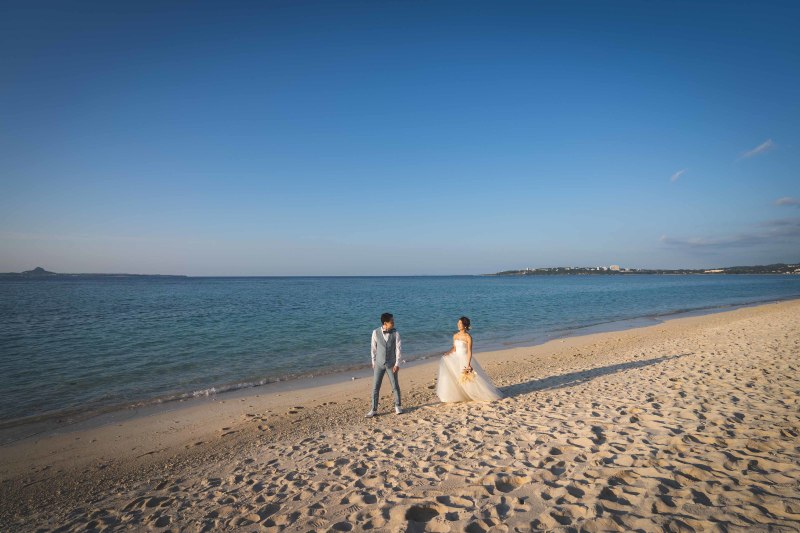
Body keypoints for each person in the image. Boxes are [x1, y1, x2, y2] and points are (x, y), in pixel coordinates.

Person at [437, 316, 503, 402]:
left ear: (465, 325)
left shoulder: (468, 337)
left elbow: (469, 351)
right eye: (458, 323)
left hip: (464, 358)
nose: (458, 325)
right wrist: (448, 353)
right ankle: (460, 395)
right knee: (455, 376)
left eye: (460, 323)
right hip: (455, 358)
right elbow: (454, 348)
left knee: (470, 380)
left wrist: (468, 364)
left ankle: (478, 394)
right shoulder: (455, 335)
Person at [365, 312, 403, 417]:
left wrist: (397, 364)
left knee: (395, 385)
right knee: (375, 387)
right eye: (391, 321)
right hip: (379, 364)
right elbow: (373, 348)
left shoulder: (396, 333)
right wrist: (373, 362)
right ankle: (374, 409)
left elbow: (398, 349)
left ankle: (398, 406)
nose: (393, 323)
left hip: (391, 364)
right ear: (385, 323)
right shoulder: (375, 332)